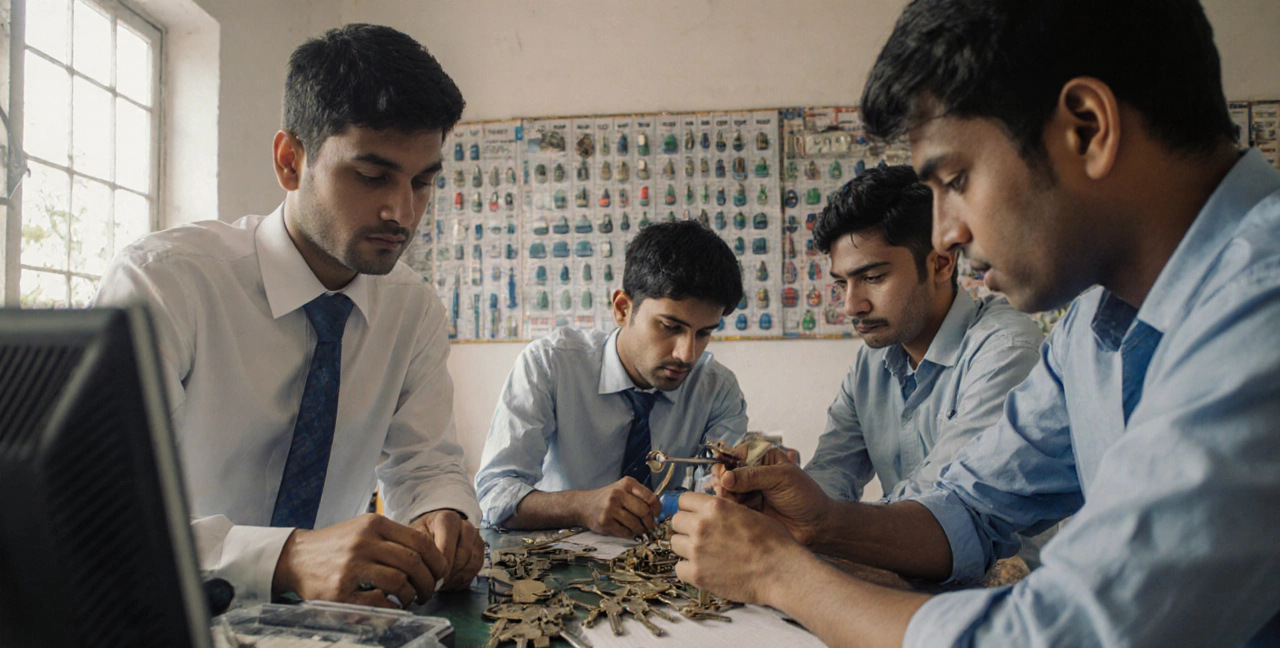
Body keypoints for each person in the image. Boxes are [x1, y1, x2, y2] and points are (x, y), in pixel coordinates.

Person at [669, 1, 1280, 648]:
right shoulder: (1092, 324)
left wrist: (783, 575)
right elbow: (971, 508)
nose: (947, 233)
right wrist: (822, 523)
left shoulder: (1260, 311)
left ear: (1087, 127)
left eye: (953, 180)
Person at [95, 24, 484, 610]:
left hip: (337, 631)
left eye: (422, 182)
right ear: (289, 161)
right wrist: (284, 558)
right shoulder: (165, 284)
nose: (401, 212)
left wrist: (442, 512)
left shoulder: (412, 311)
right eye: (372, 176)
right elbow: (97, 511)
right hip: (162, 620)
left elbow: (425, 461)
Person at [474, 220, 748, 538]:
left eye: (703, 333)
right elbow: (495, 495)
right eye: (670, 327)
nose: (687, 354)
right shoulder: (550, 365)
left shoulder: (718, 389)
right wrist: (581, 506)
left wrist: (729, 492)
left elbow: (716, 493)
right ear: (622, 308)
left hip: (666, 573)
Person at [804, 165, 1042, 505]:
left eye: (872, 277)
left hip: (1003, 561)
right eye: (842, 283)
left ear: (941, 263)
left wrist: (820, 519)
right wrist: (785, 496)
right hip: (893, 555)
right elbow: (831, 472)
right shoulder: (871, 363)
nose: (851, 306)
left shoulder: (1006, 350)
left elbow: (941, 500)